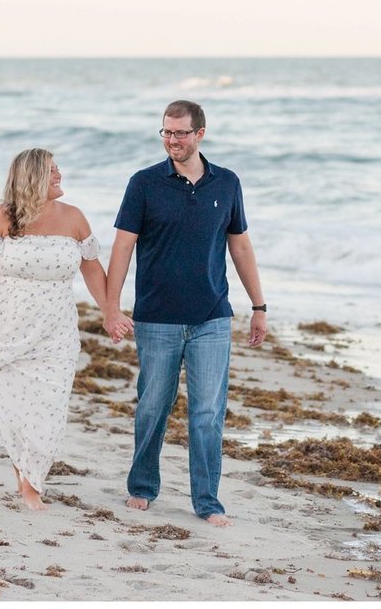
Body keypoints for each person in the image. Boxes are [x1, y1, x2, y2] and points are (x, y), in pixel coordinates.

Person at [102, 100, 267, 527]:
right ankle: (142, 486)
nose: (172, 140)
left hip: (212, 316)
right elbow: (122, 246)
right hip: (157, 317)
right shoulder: (143, 184)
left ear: (200, 134)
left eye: (180, 133)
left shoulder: (227, 183)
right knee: (153, 404)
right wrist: (110, 305)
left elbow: (241, 246)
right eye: (166, 133)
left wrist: (259, 306)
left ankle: (208, 501)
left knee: (209, 412)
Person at [0, 148, 109, 511]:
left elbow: (93, 271)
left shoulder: (74, 218)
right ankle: (29, 484)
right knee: (14, 407)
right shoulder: (2, 218)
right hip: (8, 331)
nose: (59, 175)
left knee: (49, 407)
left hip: (57, 332)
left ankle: (31, 480)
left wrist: (111, 311)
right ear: (31, 178)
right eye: (52, 170)